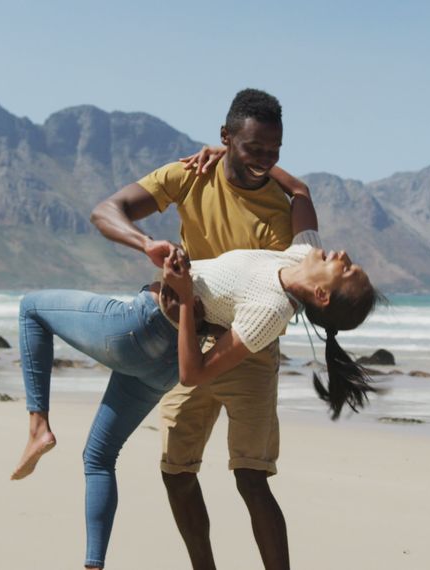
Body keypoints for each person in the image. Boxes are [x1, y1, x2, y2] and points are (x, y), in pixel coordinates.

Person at [11, 224, 380, 568]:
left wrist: (186, 298)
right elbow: (300, 194)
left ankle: (38, 425)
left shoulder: (272, 308)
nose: (344, 254)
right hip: (162, 365)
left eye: (347, 270)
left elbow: (195, 373)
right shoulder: (297, 259)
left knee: (31, 308)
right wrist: (220, 153)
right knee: (98, 457)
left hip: (139, 328)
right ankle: (93, 565)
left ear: (322, 295)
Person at [88, 88, 304, 569]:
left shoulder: (277, 212)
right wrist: (146, 244)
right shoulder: (189, 176)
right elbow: (106, 211)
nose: (264, 162)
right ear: (225, 138)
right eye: (253, 149)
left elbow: (263, 298)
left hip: (248, 348)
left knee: (252, 477)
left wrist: (188, 300)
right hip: (185, 341)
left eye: (274, 152)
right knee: (176, 473)